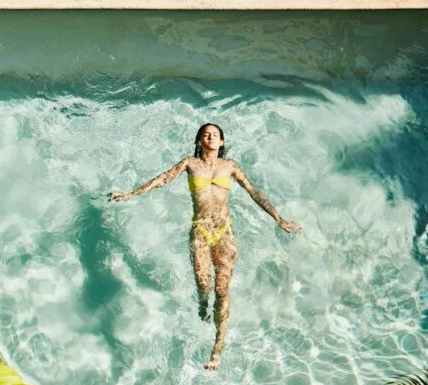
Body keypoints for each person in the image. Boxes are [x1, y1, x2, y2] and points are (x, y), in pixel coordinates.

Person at [108, 123, 301, 371]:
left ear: (221, 142)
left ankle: (217, 348)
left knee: (221, 289)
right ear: (199, 141)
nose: (210, 137)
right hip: (200, 230)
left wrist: (278, 218)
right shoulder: (190, 164)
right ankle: (202, 304)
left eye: (215, 135)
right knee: (203, 285)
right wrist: (131, 194)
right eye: (205, 134)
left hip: (224, 231)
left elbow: (254, 191)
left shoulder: (229, 166)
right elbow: (163, 179)